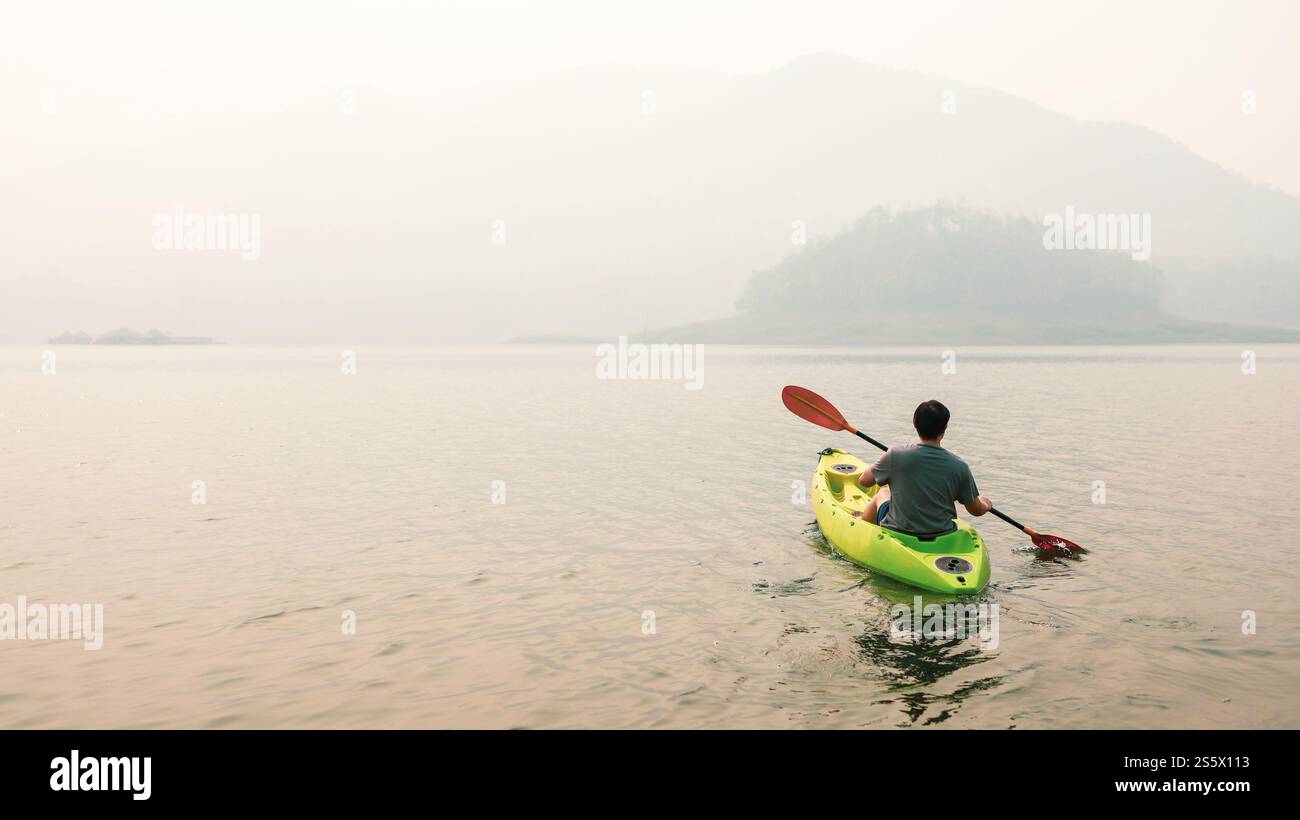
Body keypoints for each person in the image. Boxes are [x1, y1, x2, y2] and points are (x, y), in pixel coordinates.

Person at [861, 399, 1041, 538]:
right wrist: (986, 504)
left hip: (899, 532)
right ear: (945, 428)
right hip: (942, 533)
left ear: (914, 423)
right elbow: (975, 510)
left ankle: (863, 531)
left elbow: (864, 481)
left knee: (883, 494)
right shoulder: (959, 466)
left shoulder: (895, 455)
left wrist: (887, 462)